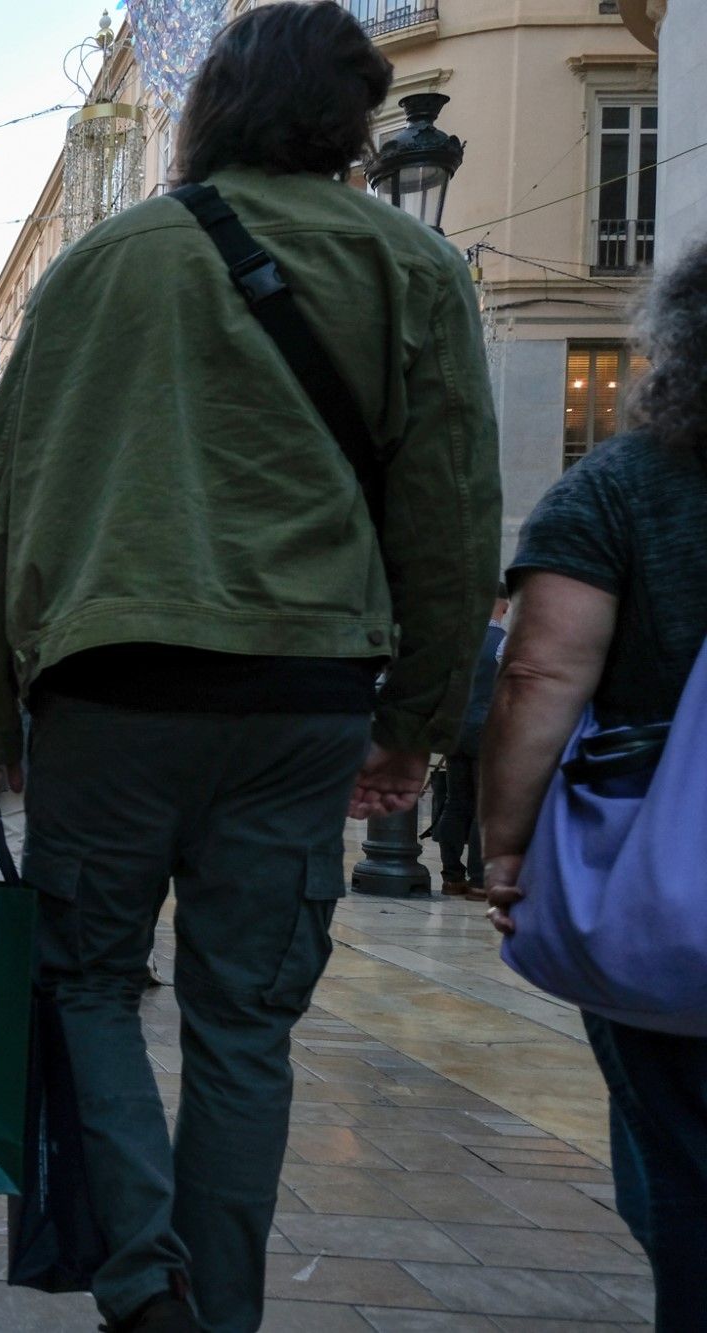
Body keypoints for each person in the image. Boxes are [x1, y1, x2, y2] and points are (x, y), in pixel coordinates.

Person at [0, 7, 499, 1330]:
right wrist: (418, 720)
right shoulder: (408, 265)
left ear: (207, 110)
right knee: (244, 1024)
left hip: (109, 689)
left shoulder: (94, 270)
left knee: (87, 982)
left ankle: (143, 1283)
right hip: (302, 693)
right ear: (352, 126)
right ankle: (222, 1309)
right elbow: (452, 509)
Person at [481, 238, 707, 1323]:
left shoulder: (618, 488)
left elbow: (538, 671)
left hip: (668, 878)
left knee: (677, 1162)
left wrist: (506, 845)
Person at [435, 585, 508, 899]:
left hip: (457, 730)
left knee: (455, 802)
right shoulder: (503, 642)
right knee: (482, 806)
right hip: (486, 731)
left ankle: (452, 876)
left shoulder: (460, 642)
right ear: (503, 606)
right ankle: (479, 880)